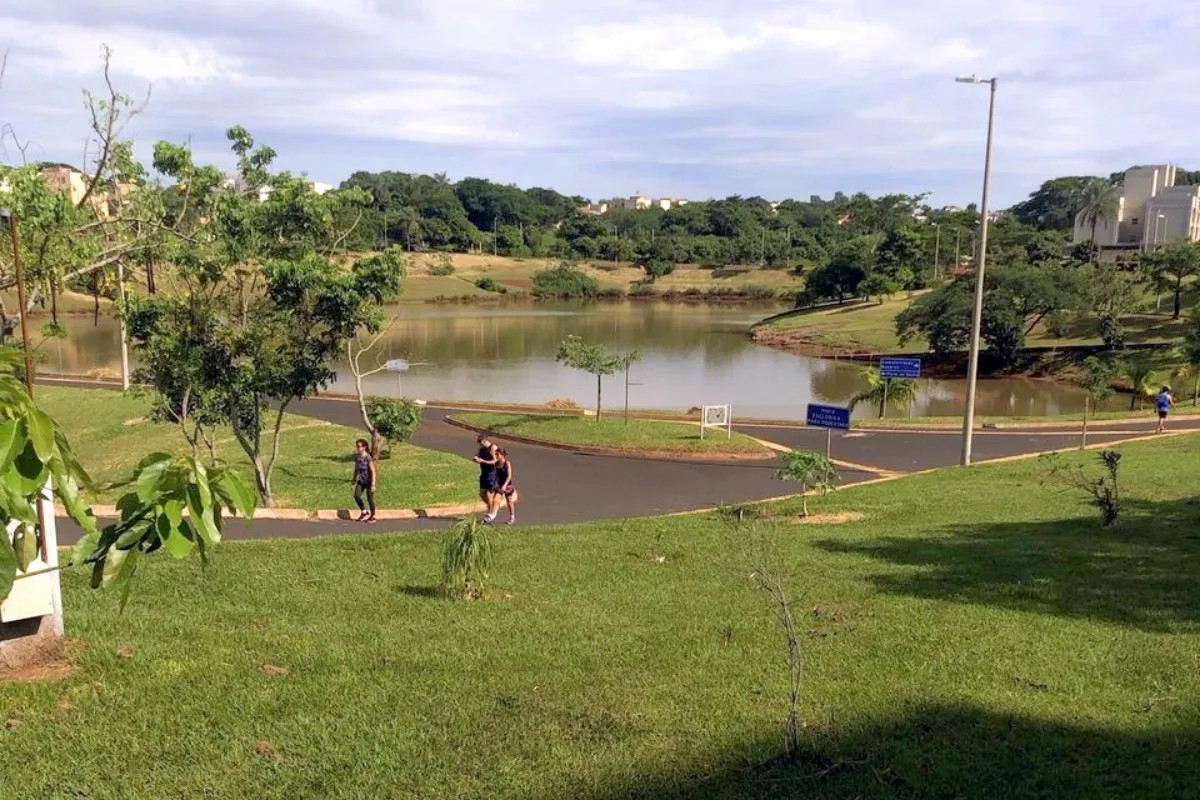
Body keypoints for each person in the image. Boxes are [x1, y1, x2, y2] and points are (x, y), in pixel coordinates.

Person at [473, 433, 500, 522]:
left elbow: (495, 461)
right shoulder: (482, 449)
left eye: (480, 443)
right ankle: (491, 509)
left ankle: (491, 514)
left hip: (491, 473)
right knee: (482, 493)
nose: (480, 445)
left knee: (489, 494)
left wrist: (482, 461)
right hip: (484, 473)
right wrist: (476, 458)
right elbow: (478, 455)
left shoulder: (493, 448)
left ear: (484, 441)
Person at [351, 438, 377, 523]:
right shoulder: (357, 457)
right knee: (356, 496)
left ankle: (373, 516)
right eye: (357, 446)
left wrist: (373, 484)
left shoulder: (368, 457)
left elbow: (373, 471)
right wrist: (353, 480)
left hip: (369, 481)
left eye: (359, 446)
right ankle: (364, 512)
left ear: (364, 447)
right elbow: (356, 469)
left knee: (370, 498)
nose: (358, 448)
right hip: (361, 481)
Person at [494, 449, 519, 525]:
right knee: (495, 500)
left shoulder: (507, 463)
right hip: (499, 485)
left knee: (509, 501)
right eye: (496, 454)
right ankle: (492, 516)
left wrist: (504, 485)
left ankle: (512, 517)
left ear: (502, 455)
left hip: (507, 486)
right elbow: (495, 475)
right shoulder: (496, 463)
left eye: (497, 454)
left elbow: (509, 476)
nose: (496, 456)